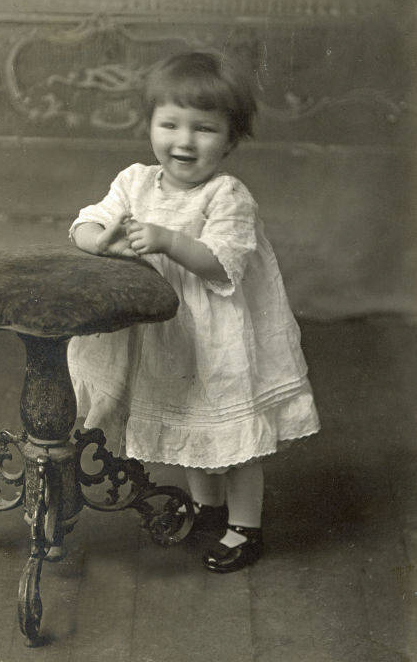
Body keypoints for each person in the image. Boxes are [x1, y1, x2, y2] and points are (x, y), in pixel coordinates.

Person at [68, 51, 320, 573]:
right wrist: (102, 242)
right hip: (163, 335)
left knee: (231, 438)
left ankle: (244, 526)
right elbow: (86, 223)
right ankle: (208, 508)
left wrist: (165, 239)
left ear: (229, 140)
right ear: (150, 126)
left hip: (216, 335)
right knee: (192, 424)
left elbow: (220, 262)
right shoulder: (134, 182)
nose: (183, 141)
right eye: (170, 124)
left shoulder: (227, 195)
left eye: (204, 129)